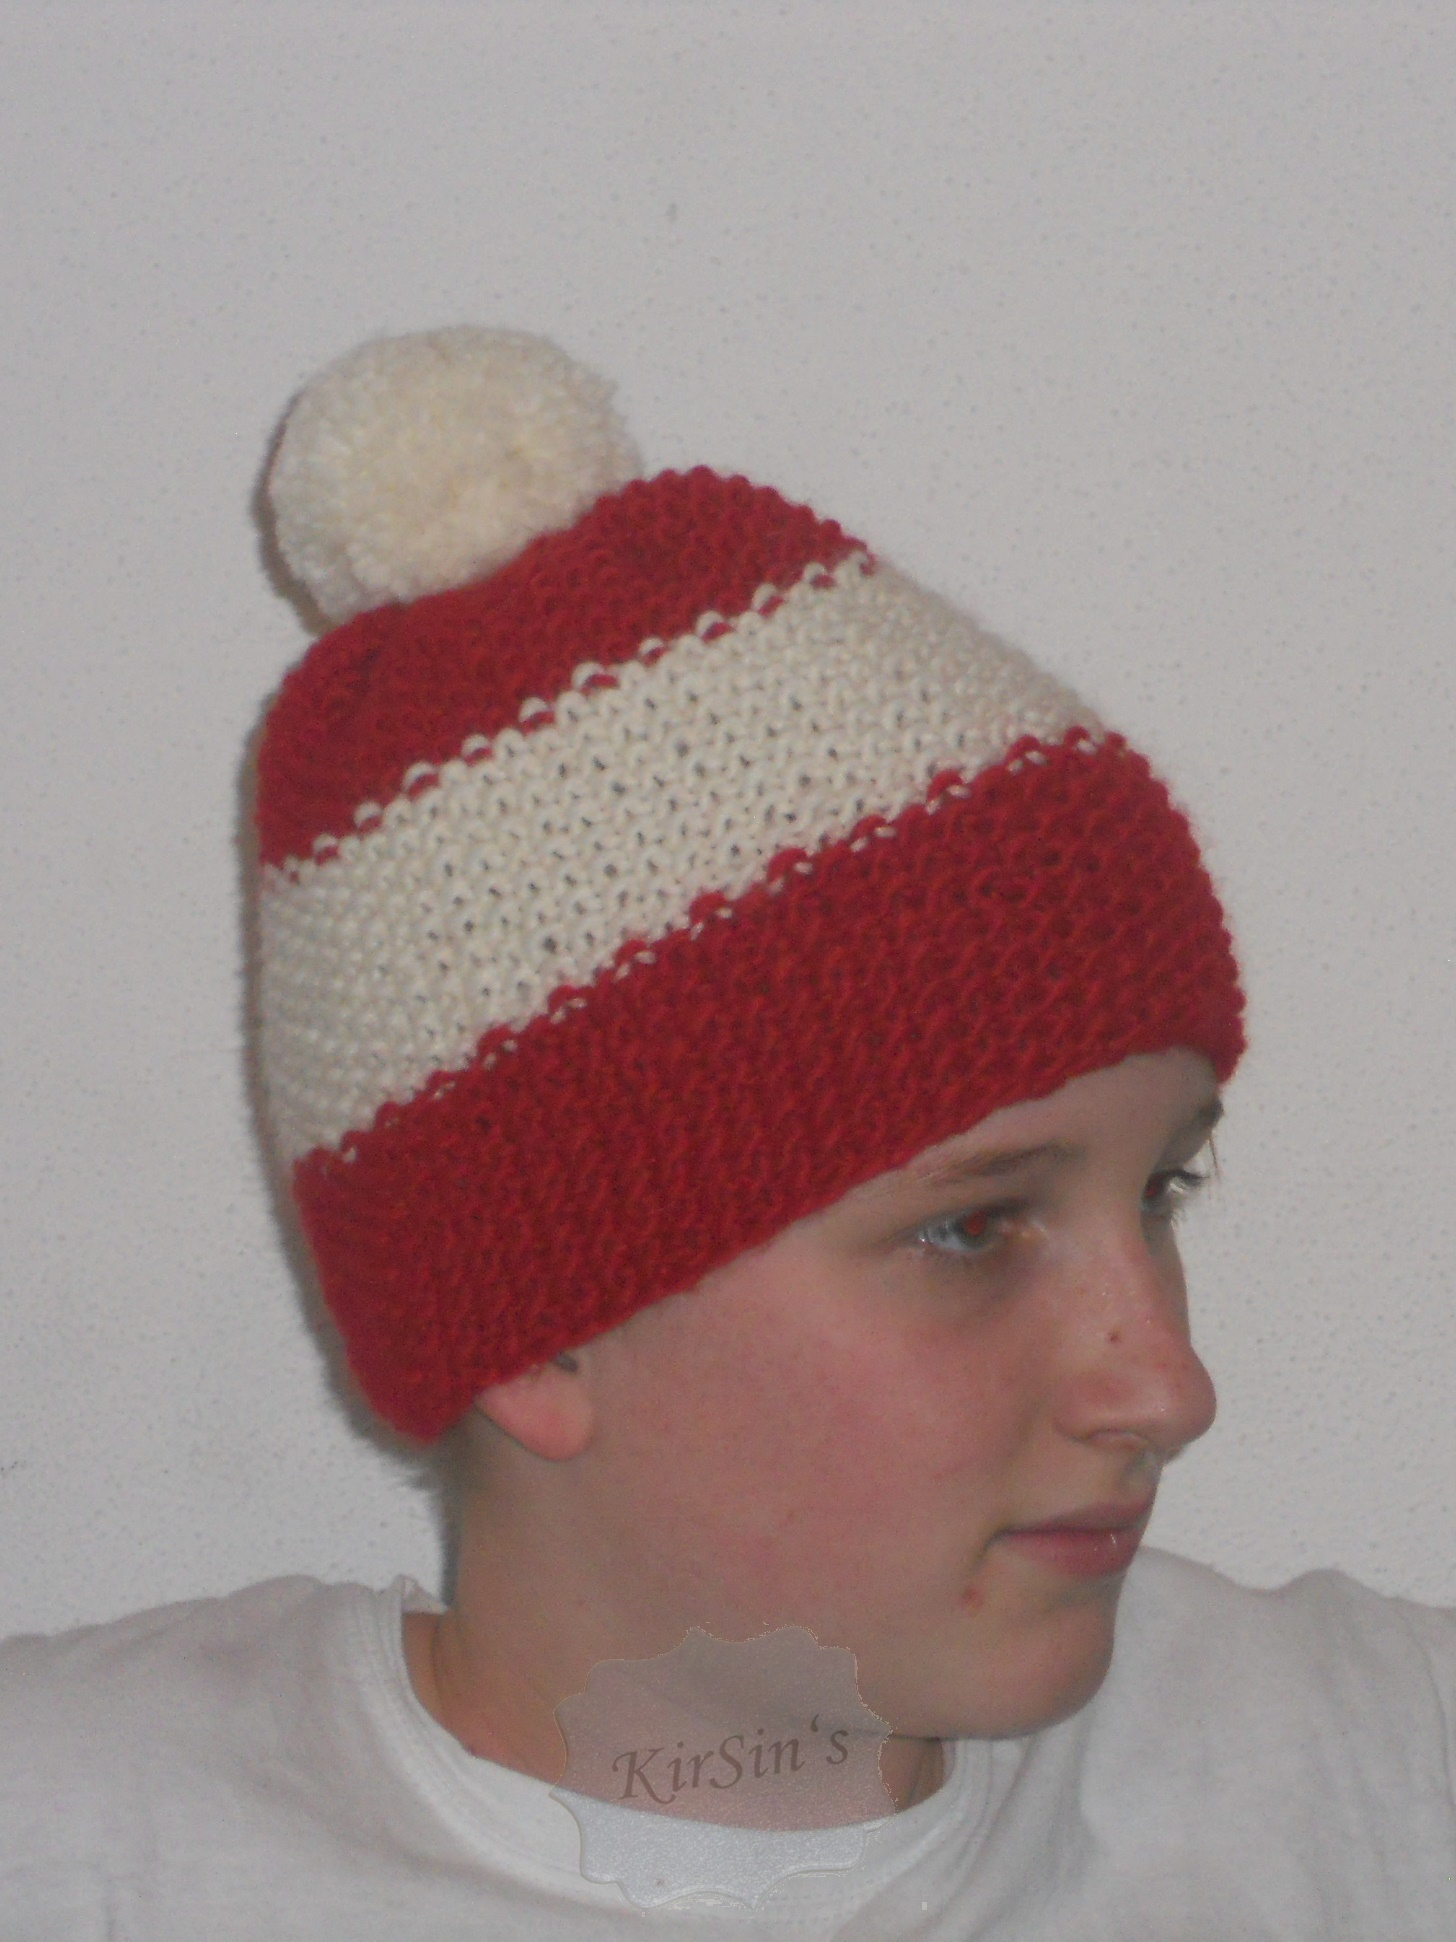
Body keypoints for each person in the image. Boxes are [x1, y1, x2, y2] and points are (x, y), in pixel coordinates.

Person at [2, 327, 1452, 1940]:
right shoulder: (87, 1848)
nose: (1170, 1386)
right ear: (541, 1329)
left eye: (1165, 1183)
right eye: (974, 1227)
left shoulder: (1370, 1784)